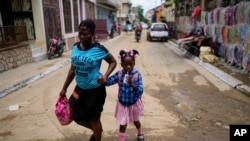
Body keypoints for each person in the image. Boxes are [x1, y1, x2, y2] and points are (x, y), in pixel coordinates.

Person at [59, 18, 117, 141]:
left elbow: (113, 61)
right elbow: (72, 70)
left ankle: (97, 134)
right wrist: (64, 87)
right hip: (79, 89)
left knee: (93, 119)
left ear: (92, 33)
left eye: (86, 34)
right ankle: (97, 131)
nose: (82, 36)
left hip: (95, 91)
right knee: (74, 115)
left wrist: (105, 75)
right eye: (80, 33)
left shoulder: (98, 49)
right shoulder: (75, 47)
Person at [100, 49, 144, 141]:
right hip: (123, 104)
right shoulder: (120, 74)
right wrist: (103, 81)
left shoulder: (137, 75)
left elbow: (140, 91)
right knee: (122, 125)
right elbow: (110, 81)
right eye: (125, 64)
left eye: (130, 64)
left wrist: (132, 84)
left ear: (134, 63)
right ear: (122, 64)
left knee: (136, 121)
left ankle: (140, 132)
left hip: (133, 103)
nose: (128, 66)